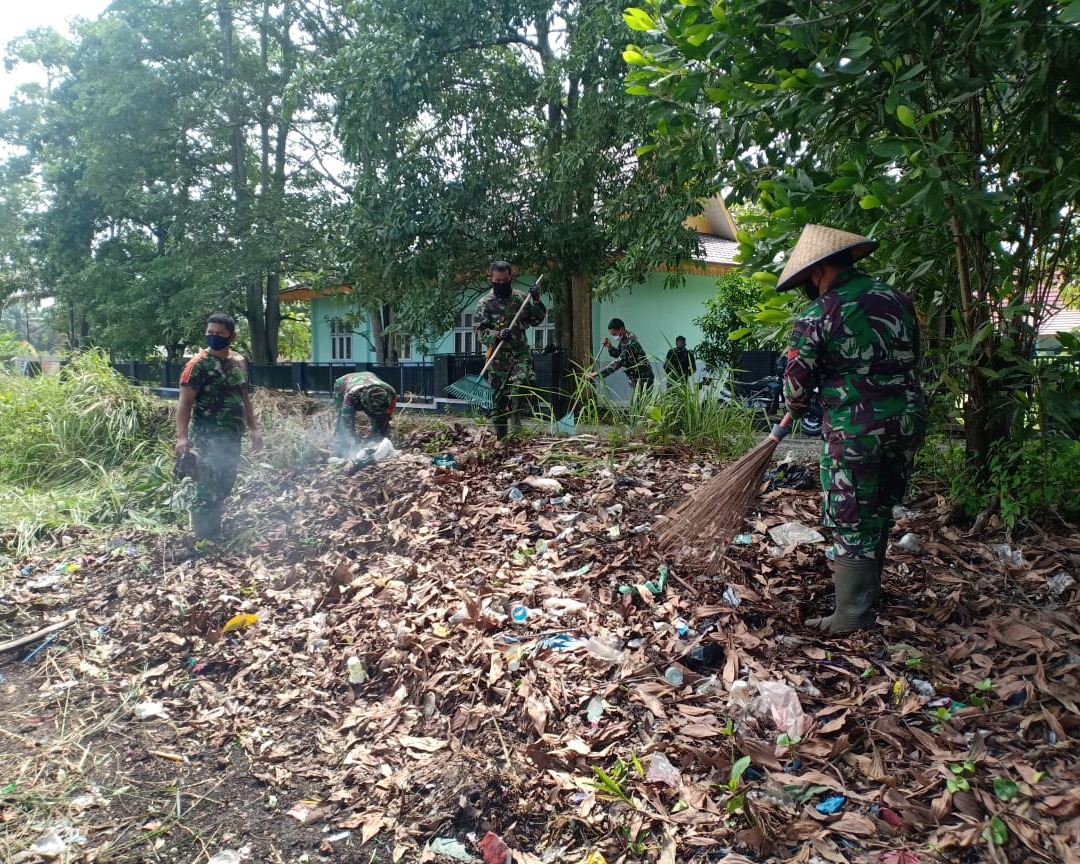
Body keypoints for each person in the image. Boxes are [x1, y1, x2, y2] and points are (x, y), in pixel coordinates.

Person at [768, 224, 927, 633]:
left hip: (855, 427)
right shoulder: (899, 300)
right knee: (880, 509)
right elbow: (913, 357)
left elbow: (796, 385)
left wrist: (797, 404)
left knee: (850, 514)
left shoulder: (818, 313)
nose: (809, 287)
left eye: (808, 280)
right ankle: (867, 599)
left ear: (819, 271)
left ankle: (852, 616)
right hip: (907, 420)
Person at [175, 313, 262, 542]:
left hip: (232, 436)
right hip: (205, 437)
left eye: (220, 334)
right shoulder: (197, 365)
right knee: (207, 485)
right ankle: (204, 539)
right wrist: (182, 438)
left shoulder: (239, 362)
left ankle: (213, 528)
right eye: (210, 333)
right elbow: (184, 405)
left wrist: (254, 429)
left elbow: (245, 398)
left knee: (225, 481)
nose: (214, 337)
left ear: (232, 336)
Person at [473, 261, 547, 440]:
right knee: (498, 402)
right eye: (497, 281)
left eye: (505, 280)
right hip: (497, 358)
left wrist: (536, 300)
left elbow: (536, 320)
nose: (501, 284)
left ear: (510, 278)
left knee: (521, 382)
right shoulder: (484, 304)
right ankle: (502, 439)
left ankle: (516, 416)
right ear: (490, 279)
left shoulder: (520, 298)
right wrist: (497, 335)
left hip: (520, 353)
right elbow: (479, 332)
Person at [332, 370, 397, 456]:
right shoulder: (351, 396)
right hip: (342, 383)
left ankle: (376, 440)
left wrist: (376, 438)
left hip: (369, 375)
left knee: (382, 419)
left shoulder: (392, 394)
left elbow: (386, 417)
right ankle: (339, 446)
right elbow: (346, 421)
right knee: (341, 420)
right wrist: (352, 440)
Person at [590, 318, 654, 394]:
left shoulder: (630, 344)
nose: (614, 337)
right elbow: (619, 354)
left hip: (644, 378)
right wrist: (610, 347)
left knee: (638, 404)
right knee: (636, 404)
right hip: (637, 378)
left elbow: (619, 362)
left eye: (614, 334)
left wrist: (596, 373)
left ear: (622, 329)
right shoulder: (625, 338)